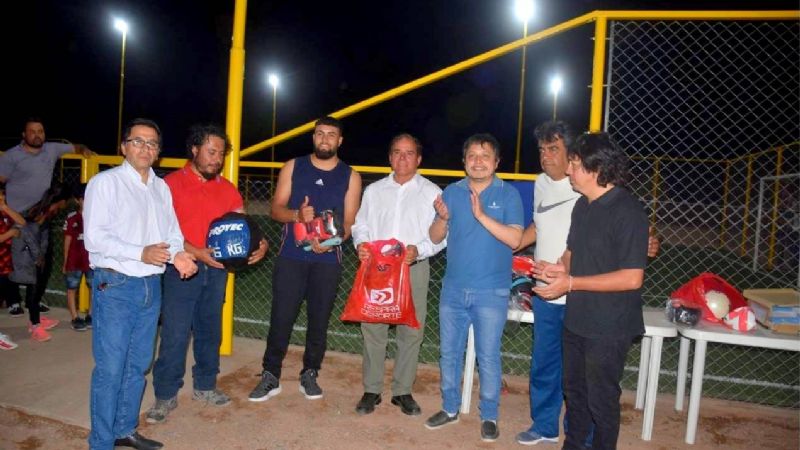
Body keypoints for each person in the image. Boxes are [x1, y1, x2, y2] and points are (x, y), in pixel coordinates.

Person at [515, 121, 659, 446]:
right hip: (577, 319)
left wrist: (571, 283)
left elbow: (632, 277)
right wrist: (555, 269)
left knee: (601, 400)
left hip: (609, 325)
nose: (569, 171)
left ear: (595, 168)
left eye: (575, 164)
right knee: (575, 393)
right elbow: (571, 252)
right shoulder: (583, 206)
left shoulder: (628, 211)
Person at [84, 118, 197, 450]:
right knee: (111, 368)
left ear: (158, 152)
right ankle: (101, 442)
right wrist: (140, 252)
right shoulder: (105, 183)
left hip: (151, 286)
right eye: (138, 141)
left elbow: (172, 234)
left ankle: (124, 429)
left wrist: (177, 255)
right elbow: (95, 239)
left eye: (152, 144)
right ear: (123, 147)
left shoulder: (161, 188)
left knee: (137, 364)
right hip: (116, 285)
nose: (146, 148)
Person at [145, 124, 268, 424]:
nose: (217, 159)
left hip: (216, 272)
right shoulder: (169, 184)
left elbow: (245, 227)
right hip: (182, 268)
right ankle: (165, 394)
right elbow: (160, 231)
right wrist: (195, 252)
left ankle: (205, 385)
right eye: (212, 152)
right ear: (195, 149)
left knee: (209, 332)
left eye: (221, 154)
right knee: (175, 333)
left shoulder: (226, 188)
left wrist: (260, 244)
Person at [249, 116, 361, 403]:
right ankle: (270, 374)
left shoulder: (351, 176)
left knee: (319, 320)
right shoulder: (293, 166)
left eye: (331, 135)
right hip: (291, 256)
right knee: (281, 317)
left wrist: (330, 241)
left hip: (328, 259)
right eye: (320, 134)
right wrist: (297, 215)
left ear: (340, 141)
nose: (325, 139)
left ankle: (310, 372)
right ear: (314, 137)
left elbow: (349, 222)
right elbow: (275, 209)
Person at [425, 133, 523, 442]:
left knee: (488, 356)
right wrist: (442, 218)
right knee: (449, 353)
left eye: (485, 156)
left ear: (496, 162)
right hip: (453, 288)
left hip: (491, 291)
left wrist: (481, 215)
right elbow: (435, 236)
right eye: (472, 156)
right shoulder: (452, 192)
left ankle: (489, 415)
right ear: (464, 161)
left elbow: (515, 240)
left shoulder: (508, 195)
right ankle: (450, 407)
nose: (478, 161)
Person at [350, 133, 445, 416]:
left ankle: (403, 391)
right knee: (373, 330)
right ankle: (372, 389)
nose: (403, 158)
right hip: (376, 270)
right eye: (397, 152)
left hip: (412, 269)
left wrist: (421, 250)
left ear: (418, 158)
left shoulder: (432, 193)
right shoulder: (375, 190)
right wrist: (361, 245)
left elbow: (442, 236)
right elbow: (360, 224)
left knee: (411, 331)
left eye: (409, 153)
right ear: (390, 157)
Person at [0, 117, 94, 317]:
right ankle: (13, 301)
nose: (37, 135)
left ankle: (33, 301)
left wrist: (85, 150)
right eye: (32, 131)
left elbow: (76, 147)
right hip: (17, 215)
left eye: (40, 131)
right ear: (24, 135)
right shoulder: (11, 156)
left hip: (41, 214)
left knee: (42, 261)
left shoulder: (51, 149)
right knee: (16, 260)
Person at [10, 188, 65, 341]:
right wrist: (38, 256)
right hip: (33, 256)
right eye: (62, 204)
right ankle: (34, 325)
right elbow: (29, 234)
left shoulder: (44, 214)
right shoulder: (37, 214)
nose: (62, 207)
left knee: (36, 289)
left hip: (39, 255)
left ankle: (36, 319)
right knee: (34, 289)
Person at [62, 184, 93, 331]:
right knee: (72, 288)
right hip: (75, 259)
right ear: (78, 200)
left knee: (94, 286)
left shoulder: (96, 217)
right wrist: (65, 260)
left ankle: (91, 314)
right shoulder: (72, 218)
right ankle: (75, 317)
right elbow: (67, 240)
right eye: (84, 199)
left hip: (91, 260)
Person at [0, 185, 25, 349]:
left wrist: (5, 207)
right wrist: (10, 234)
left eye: (3, 196)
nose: (2, 198)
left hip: (4, 263)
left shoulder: (3, 211)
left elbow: (21, 222)